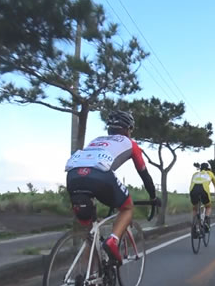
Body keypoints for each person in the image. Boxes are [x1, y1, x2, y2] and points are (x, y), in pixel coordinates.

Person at [65, 110, 158, 263]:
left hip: (73, 176)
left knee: (90, 234)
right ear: (128, 129)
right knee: (127, 207)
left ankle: (89, 280)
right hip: (100, 175)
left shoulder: (95, 140)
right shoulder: (131, 144)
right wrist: (153, 196)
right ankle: (113, 240)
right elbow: (144, 175)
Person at [188, 162, 215, 231]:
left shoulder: (195, 174)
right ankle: (206, 222)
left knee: (195, 208)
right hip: (203, 190)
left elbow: (191, 185)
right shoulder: (210, 173)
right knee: (208, 207)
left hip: (193, 191)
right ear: (209, 169)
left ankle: (194, 226)